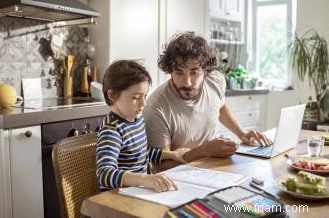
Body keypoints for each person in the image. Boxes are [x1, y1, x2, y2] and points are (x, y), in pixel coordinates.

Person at [144, 32, 272, 171]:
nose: (187, 82)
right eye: (179, 72)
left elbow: (220, 106)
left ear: (205, 70)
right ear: (170, 70)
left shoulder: (215, 80)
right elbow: (162, 167)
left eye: (194, 72)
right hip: (179, 177)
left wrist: (242, 133)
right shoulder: (156, 108)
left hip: (213, 166)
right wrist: (205, 150)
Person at [97, 60, 190, 192]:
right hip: (118, 197)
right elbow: (104, 174)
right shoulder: (112, 130)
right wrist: (144, 179)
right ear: (112, 95)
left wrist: (171, 155)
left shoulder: (137, 120)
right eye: (135, 97)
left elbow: (140, 153)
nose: (143, 104)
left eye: (145, 96)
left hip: (138, 191)